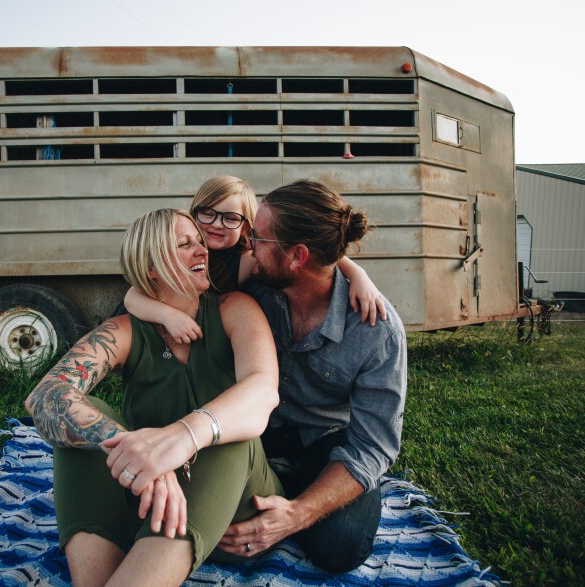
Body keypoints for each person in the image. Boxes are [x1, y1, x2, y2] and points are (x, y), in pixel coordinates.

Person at [25, 208, 285, 586]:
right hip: (153, 499)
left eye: (200, 242)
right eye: (185, 244)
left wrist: (178, 440)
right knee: (81, 420)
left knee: (230, 433)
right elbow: (46, 395)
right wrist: (136, 450)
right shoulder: (126, 331)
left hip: (239, 511)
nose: (202, 251)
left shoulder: (234, 309)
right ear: (151, 268)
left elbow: (262, 390)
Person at [217, 179, 407, 574]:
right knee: (210, 520)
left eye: (258, 237)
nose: (248, 244)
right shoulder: (256, 286)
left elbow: (373, 447)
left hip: (324, 441)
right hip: (256, 430)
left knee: (340, 547)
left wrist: (298, 514)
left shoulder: (376, 331)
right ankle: (271, 491)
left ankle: (286, 502)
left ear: (297, 256)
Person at [124, 176, 386, 347]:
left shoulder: (248, 258)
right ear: (194, 212)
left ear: (247, 226)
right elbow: (133, 296)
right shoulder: (179, 249)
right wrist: (167, 315)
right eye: (207, 213)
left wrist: (357, 273)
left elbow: (314, 251)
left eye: (230, 218)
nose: (216, 224)